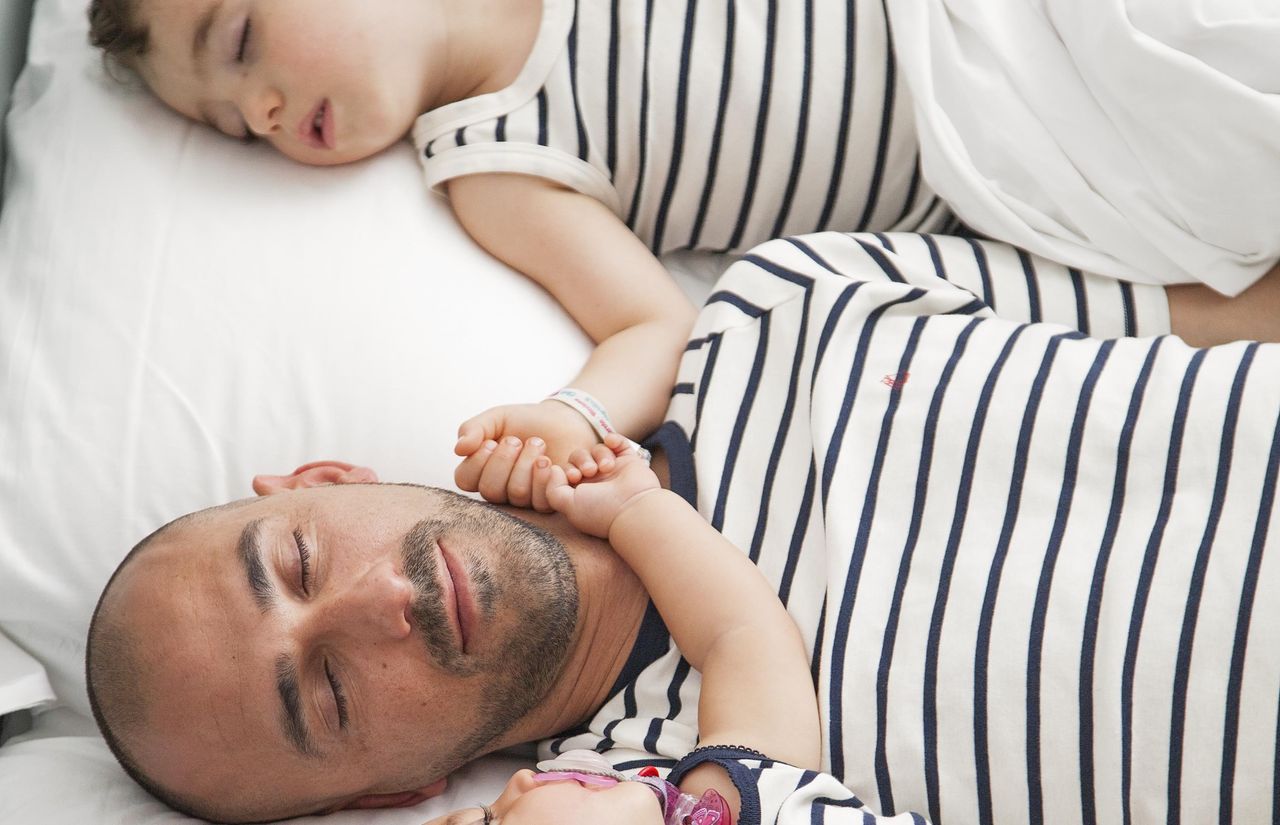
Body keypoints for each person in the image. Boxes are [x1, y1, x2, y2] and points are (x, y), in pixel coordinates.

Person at [88, 232, 1280, 824]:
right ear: (394, 795)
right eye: (329, 696)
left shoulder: (777, 307)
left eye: (298, 562)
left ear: (330, 478)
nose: (377, 607)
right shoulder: (675, 791)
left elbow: (1224, 313)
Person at [82, 0, 1280, 512]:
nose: (270, 111)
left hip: (973, 27)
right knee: (1185, 273)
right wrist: (569, 415)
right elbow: (649, 324)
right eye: (233, 123)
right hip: (985, 184)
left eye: (241, 42)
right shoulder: (493, 157)